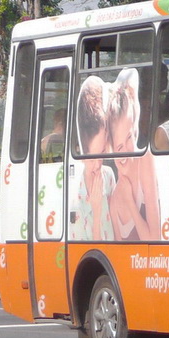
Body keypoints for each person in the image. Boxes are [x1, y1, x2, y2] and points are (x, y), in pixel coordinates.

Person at [107, 68, 161, 241]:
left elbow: (154, 239)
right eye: (118, 146)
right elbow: (117, 253)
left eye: (129, 137)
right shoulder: (114, 197)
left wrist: (130, 203)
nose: (124, 152)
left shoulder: (145, 159)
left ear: (135, 131)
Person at [71, 76, 115, 241]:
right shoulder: (74, 189)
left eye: (102, 153)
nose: (98, 165)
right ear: (82, 152)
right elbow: (88, 249)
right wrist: (97, 212)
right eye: (92, 157)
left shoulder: (108, 174)